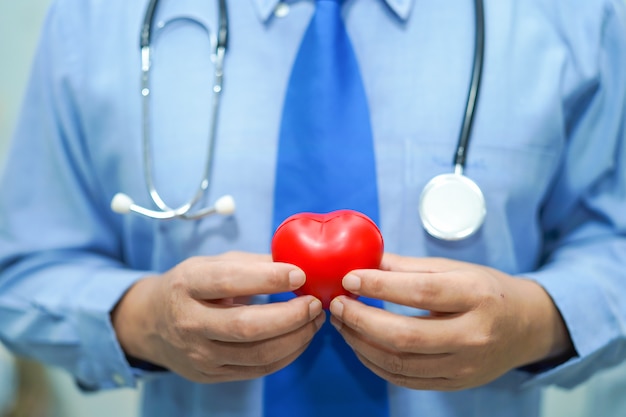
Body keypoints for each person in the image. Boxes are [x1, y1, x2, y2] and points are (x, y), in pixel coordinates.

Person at [0, 0, 625, 416]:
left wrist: (536, 326)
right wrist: (143, 325)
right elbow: (24, 271)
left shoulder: (578, 14)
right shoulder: (94, 17)